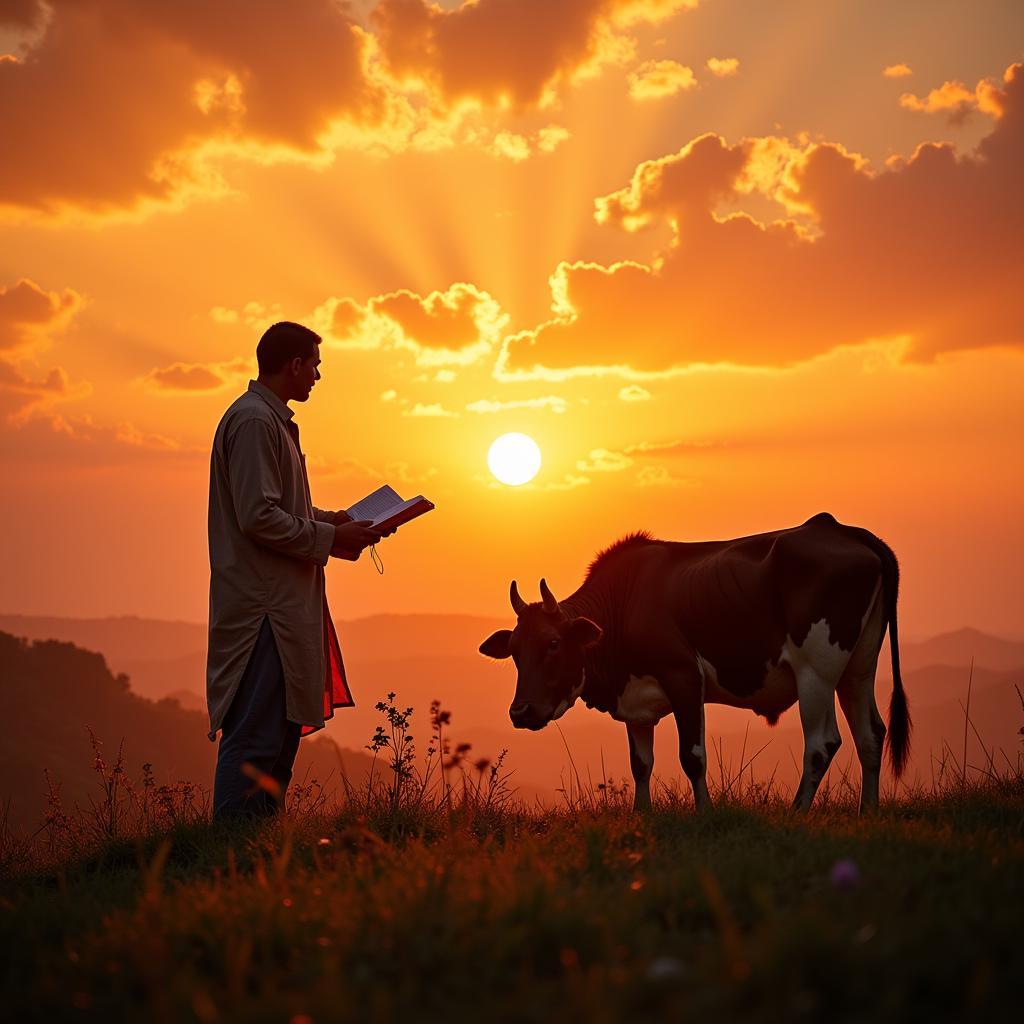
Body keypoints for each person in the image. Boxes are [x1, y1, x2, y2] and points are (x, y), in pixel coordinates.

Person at [206, 320, 384, 821]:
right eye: (315, 367)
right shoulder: (256, 422)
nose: (318, 378)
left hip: (282, 606)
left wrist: (338, 523)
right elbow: (257, 516)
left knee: (278, 738)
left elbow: (285, 507)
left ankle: (257, 851)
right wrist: (332, 538)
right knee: (256, 736)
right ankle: (231, 853)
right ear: (294, 365)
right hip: (264, 610)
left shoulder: (269, 420)